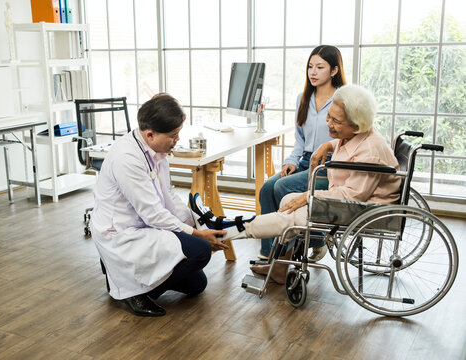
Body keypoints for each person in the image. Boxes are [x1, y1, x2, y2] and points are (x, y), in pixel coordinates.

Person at [190, 84, 401, 283]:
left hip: (364, 211)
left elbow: (352, 197)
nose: (329, 123)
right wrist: (327, 145)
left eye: (336, 121)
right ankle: (280, 265)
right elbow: (345, 143)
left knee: (290, 216)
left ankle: (221, 228)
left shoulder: (370, 152)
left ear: (356, 125)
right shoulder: (358, 134)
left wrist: (308, 196)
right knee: (288, 202)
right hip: (349, 203)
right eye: (329, 117)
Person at [90, 93, 228, 317]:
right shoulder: (127, 158)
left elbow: (168, 195)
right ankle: (129, 291)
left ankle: (122, 274)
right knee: (200, 251)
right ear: (150, 134)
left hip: (145, 224)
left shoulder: (157, 151)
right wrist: (196, 235)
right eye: (173, 135)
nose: (177, 140)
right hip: (122, 232)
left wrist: (193, 224)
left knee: (197, 285)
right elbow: (153, 214)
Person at [258, 45, 346, 261]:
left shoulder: (343, 100)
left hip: (329, 166)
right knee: (267, 188)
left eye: (320, 67)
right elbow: (300, 140)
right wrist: (291, 161)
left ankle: (307, 243)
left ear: (334, 70)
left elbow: (349, 138)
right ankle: (270, 253)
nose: (313, 72)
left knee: (282, 186)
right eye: (310, 67)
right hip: (306, 161)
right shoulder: (303, 98)